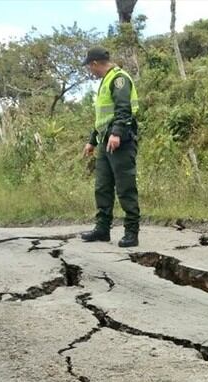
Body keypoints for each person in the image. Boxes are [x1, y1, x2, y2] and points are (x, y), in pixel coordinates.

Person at [80, 46, 141, 248]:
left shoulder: (119, 79)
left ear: (95, 63)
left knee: (125, 187)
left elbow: (124, 109)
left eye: (90, 66)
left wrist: (116, 133)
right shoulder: (105, 82)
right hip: (105, 143)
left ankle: (131, 232)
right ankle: (102, 229)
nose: (90, 70)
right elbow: (102, 118)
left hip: (121, 142)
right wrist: (92, 141)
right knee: (102, 187)